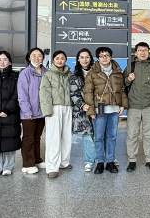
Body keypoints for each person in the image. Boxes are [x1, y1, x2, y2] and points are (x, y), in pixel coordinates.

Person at [84, 46, 128, 175]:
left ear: (110, 57)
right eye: (101, 55)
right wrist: (91, 110)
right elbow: (88, 92)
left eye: (107, 55)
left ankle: (110, 162)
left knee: (112, 137)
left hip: (114, 110)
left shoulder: (117, 72)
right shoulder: (92, 73)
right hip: (99, 109)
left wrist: (123, 105)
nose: (104, 58)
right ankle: (99, 162)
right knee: (98, 137)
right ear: (98, 58)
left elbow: (122, 90)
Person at [124, 42, 150, 172]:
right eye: (140, 50)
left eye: (145, 50)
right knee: (132, 134)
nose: (143, 53)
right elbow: (122, 85)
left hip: (149, 106)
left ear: (148, 52)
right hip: (133, 106)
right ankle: (132, 161)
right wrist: (128, 79)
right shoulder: (130, 66)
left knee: (149, 134)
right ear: (136, 52)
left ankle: (149, 160)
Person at [39, 50, 73, 179]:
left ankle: (64, 161)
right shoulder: (48, 75)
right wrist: (47, 110)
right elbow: (44, 93)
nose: (60, 60)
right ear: (53, 60)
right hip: (54, 107)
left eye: (62, 58)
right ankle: (52, 167)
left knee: (66, 135)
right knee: (53, 137)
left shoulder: (70, 74)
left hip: (68, 106)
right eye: (57, 58)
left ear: (65, 60)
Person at [18, 47, 47, 175]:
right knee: (28, 138)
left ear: (43, 58)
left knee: (37, 137)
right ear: (29, 57)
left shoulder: (46, 72)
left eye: (39, 55)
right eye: (33, 55)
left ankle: (37, 159)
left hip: (42, 111)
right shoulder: (25, 73)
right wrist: (27, 111)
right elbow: (22, 94)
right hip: (29, 112)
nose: (36, 58)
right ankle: (28, 164)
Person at [70, 48, 95, 172]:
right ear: (78, 59)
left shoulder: (97, 72)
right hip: (83, 110)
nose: (85, 60)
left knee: (101, 134)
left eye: (87, 57)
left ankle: (105, 158)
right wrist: (82, 105)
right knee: (88, 136)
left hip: (97, 108)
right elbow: (73, 93)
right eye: (82, 57)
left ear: (91, 59)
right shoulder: (74, 76)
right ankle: (89, 161)